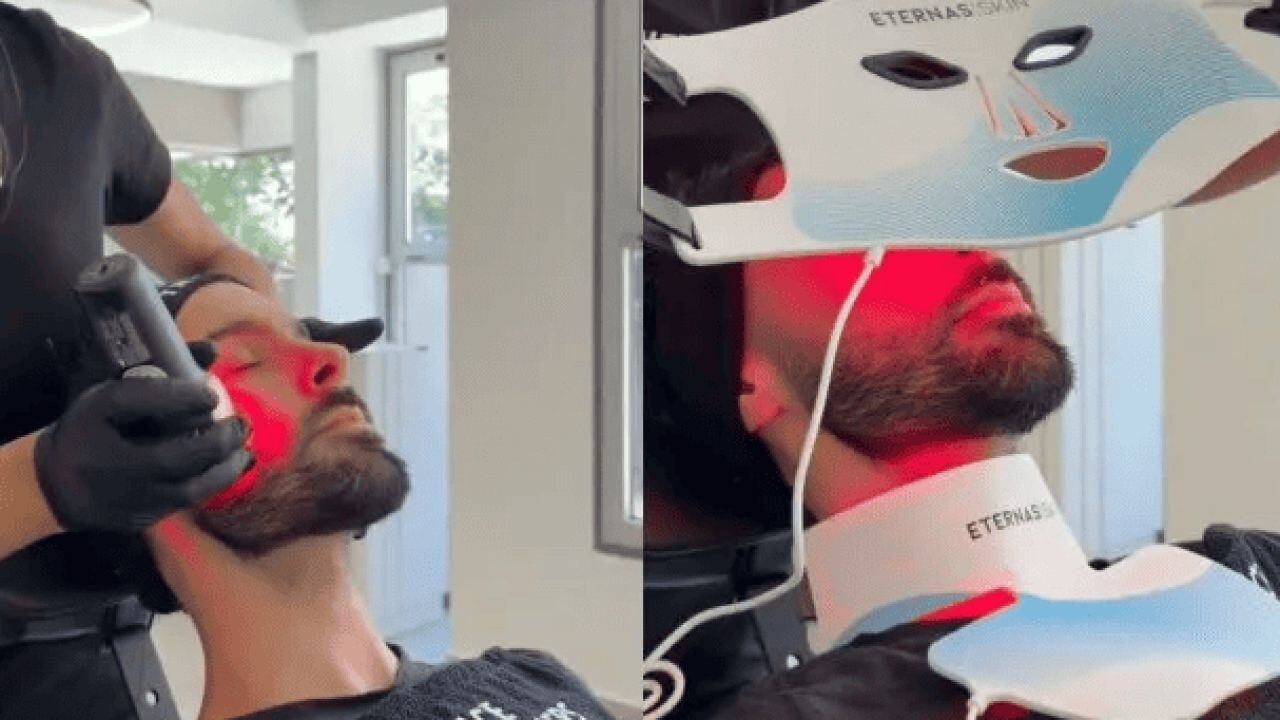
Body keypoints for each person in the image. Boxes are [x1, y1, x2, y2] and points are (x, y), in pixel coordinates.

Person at [644, 157, 1280, 720]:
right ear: (749, 382)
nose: (959, 242)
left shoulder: (1247, 574)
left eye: (944, 210)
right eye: (854, 225)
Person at [134, 274, 617, 720]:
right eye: (246, 359)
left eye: (304, 336)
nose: (335, 358)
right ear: (137, 471)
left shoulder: (532, 677)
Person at [0, 4, 278, 718]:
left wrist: (260, 332)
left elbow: (215, 256)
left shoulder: (64, 79)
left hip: (87, 655)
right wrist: (46, 480)